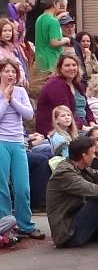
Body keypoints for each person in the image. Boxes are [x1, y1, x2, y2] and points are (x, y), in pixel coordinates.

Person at [0, 58, 43, 240]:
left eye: (14, 72)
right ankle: (6, 223)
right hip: (1, 141)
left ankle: (25, 224)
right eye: (7, 71)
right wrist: (5, 99)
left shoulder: (21, 91)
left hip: (18, 142)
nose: (10, 75)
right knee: (2, 186)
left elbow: (29, 114)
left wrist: (13, 101)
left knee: (22, 186)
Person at [35, 55, 95, 136]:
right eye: (67, 65)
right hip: (61, 130)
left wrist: (92, 123)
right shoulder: (55, 85)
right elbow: (65, 111)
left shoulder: (78, 85)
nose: (71, 68)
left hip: (82, 125)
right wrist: (83, 127)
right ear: (60, 68)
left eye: (74, 65)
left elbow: (86, 108)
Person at [34, 0, 68, 74]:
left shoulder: (39, 18)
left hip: (40, 60)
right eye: (59, 4)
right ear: (54, 4)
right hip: (52, 60)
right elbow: (54, 42)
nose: (60, 6)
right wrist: (66, 40)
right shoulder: (53, 21)